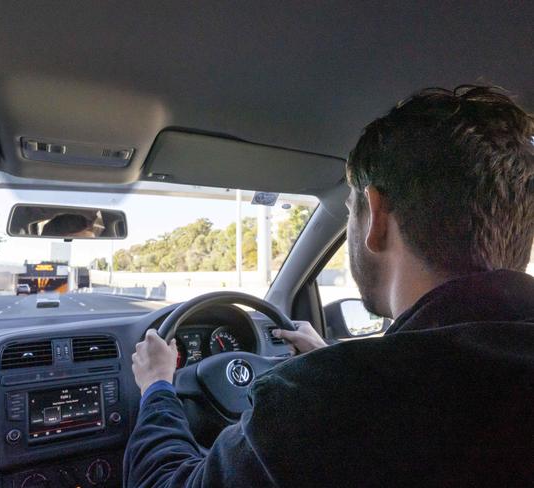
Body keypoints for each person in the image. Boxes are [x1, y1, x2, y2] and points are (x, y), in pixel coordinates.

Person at [127, 86, 534, 487]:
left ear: (375, 216)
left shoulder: (321, 401)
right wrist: (333, 360)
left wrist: (157, 386)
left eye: (349, 211)